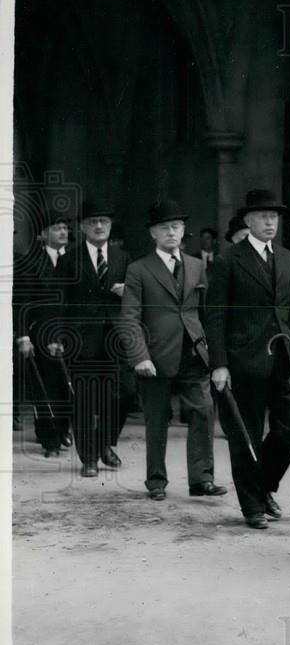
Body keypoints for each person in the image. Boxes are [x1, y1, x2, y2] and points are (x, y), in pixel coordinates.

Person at [205, 189, 290, 529]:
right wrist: (219, 363)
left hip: (284, 359)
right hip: (243, 361)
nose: (269, 222)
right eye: (262, 216)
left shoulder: (289, 258)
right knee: (245, 435)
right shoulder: (228, 260)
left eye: (274, 216)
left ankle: (263, 486)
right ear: (248, 220)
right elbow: (215, 315)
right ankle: (252, 507)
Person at [121, 200, 222, 501]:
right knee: (156, 419)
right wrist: (139, 356)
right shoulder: (139, 269)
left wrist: (213, 354)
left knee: (203, 412)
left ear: (183, 231)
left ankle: (201, 479)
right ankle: (156, 481)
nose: (171, 232)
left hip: (193, 352)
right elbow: (129, 318)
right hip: (155, 356)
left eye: (176, 227)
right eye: (164, 227)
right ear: (153, 233)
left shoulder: (196, 266)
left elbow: (206, 312)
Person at [45, 202, 136, 475]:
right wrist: (55, 335)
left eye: (104, 222)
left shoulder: (123, 257)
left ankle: (106, 442)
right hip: (81, 339)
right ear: (83, 227)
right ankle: (89, 459)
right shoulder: (69, 259)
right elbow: (58, 301)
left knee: (125, 392)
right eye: (93, 221)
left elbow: (137, 299)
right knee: (84, 398)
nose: (99, 226)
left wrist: (127, 293)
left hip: (116, 339)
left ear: (110, 226)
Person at [15, 209, 72, 458]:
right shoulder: (31, 261)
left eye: (65, 227)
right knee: (46, 387)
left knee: (65, 385)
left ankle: (62, 431)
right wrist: (23, 337)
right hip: (41, 334)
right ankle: (50, 440)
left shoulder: (75, 260)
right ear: (42, 234)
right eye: (56, 228)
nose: (63, 231)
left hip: (70, 334)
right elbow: (22, 302)